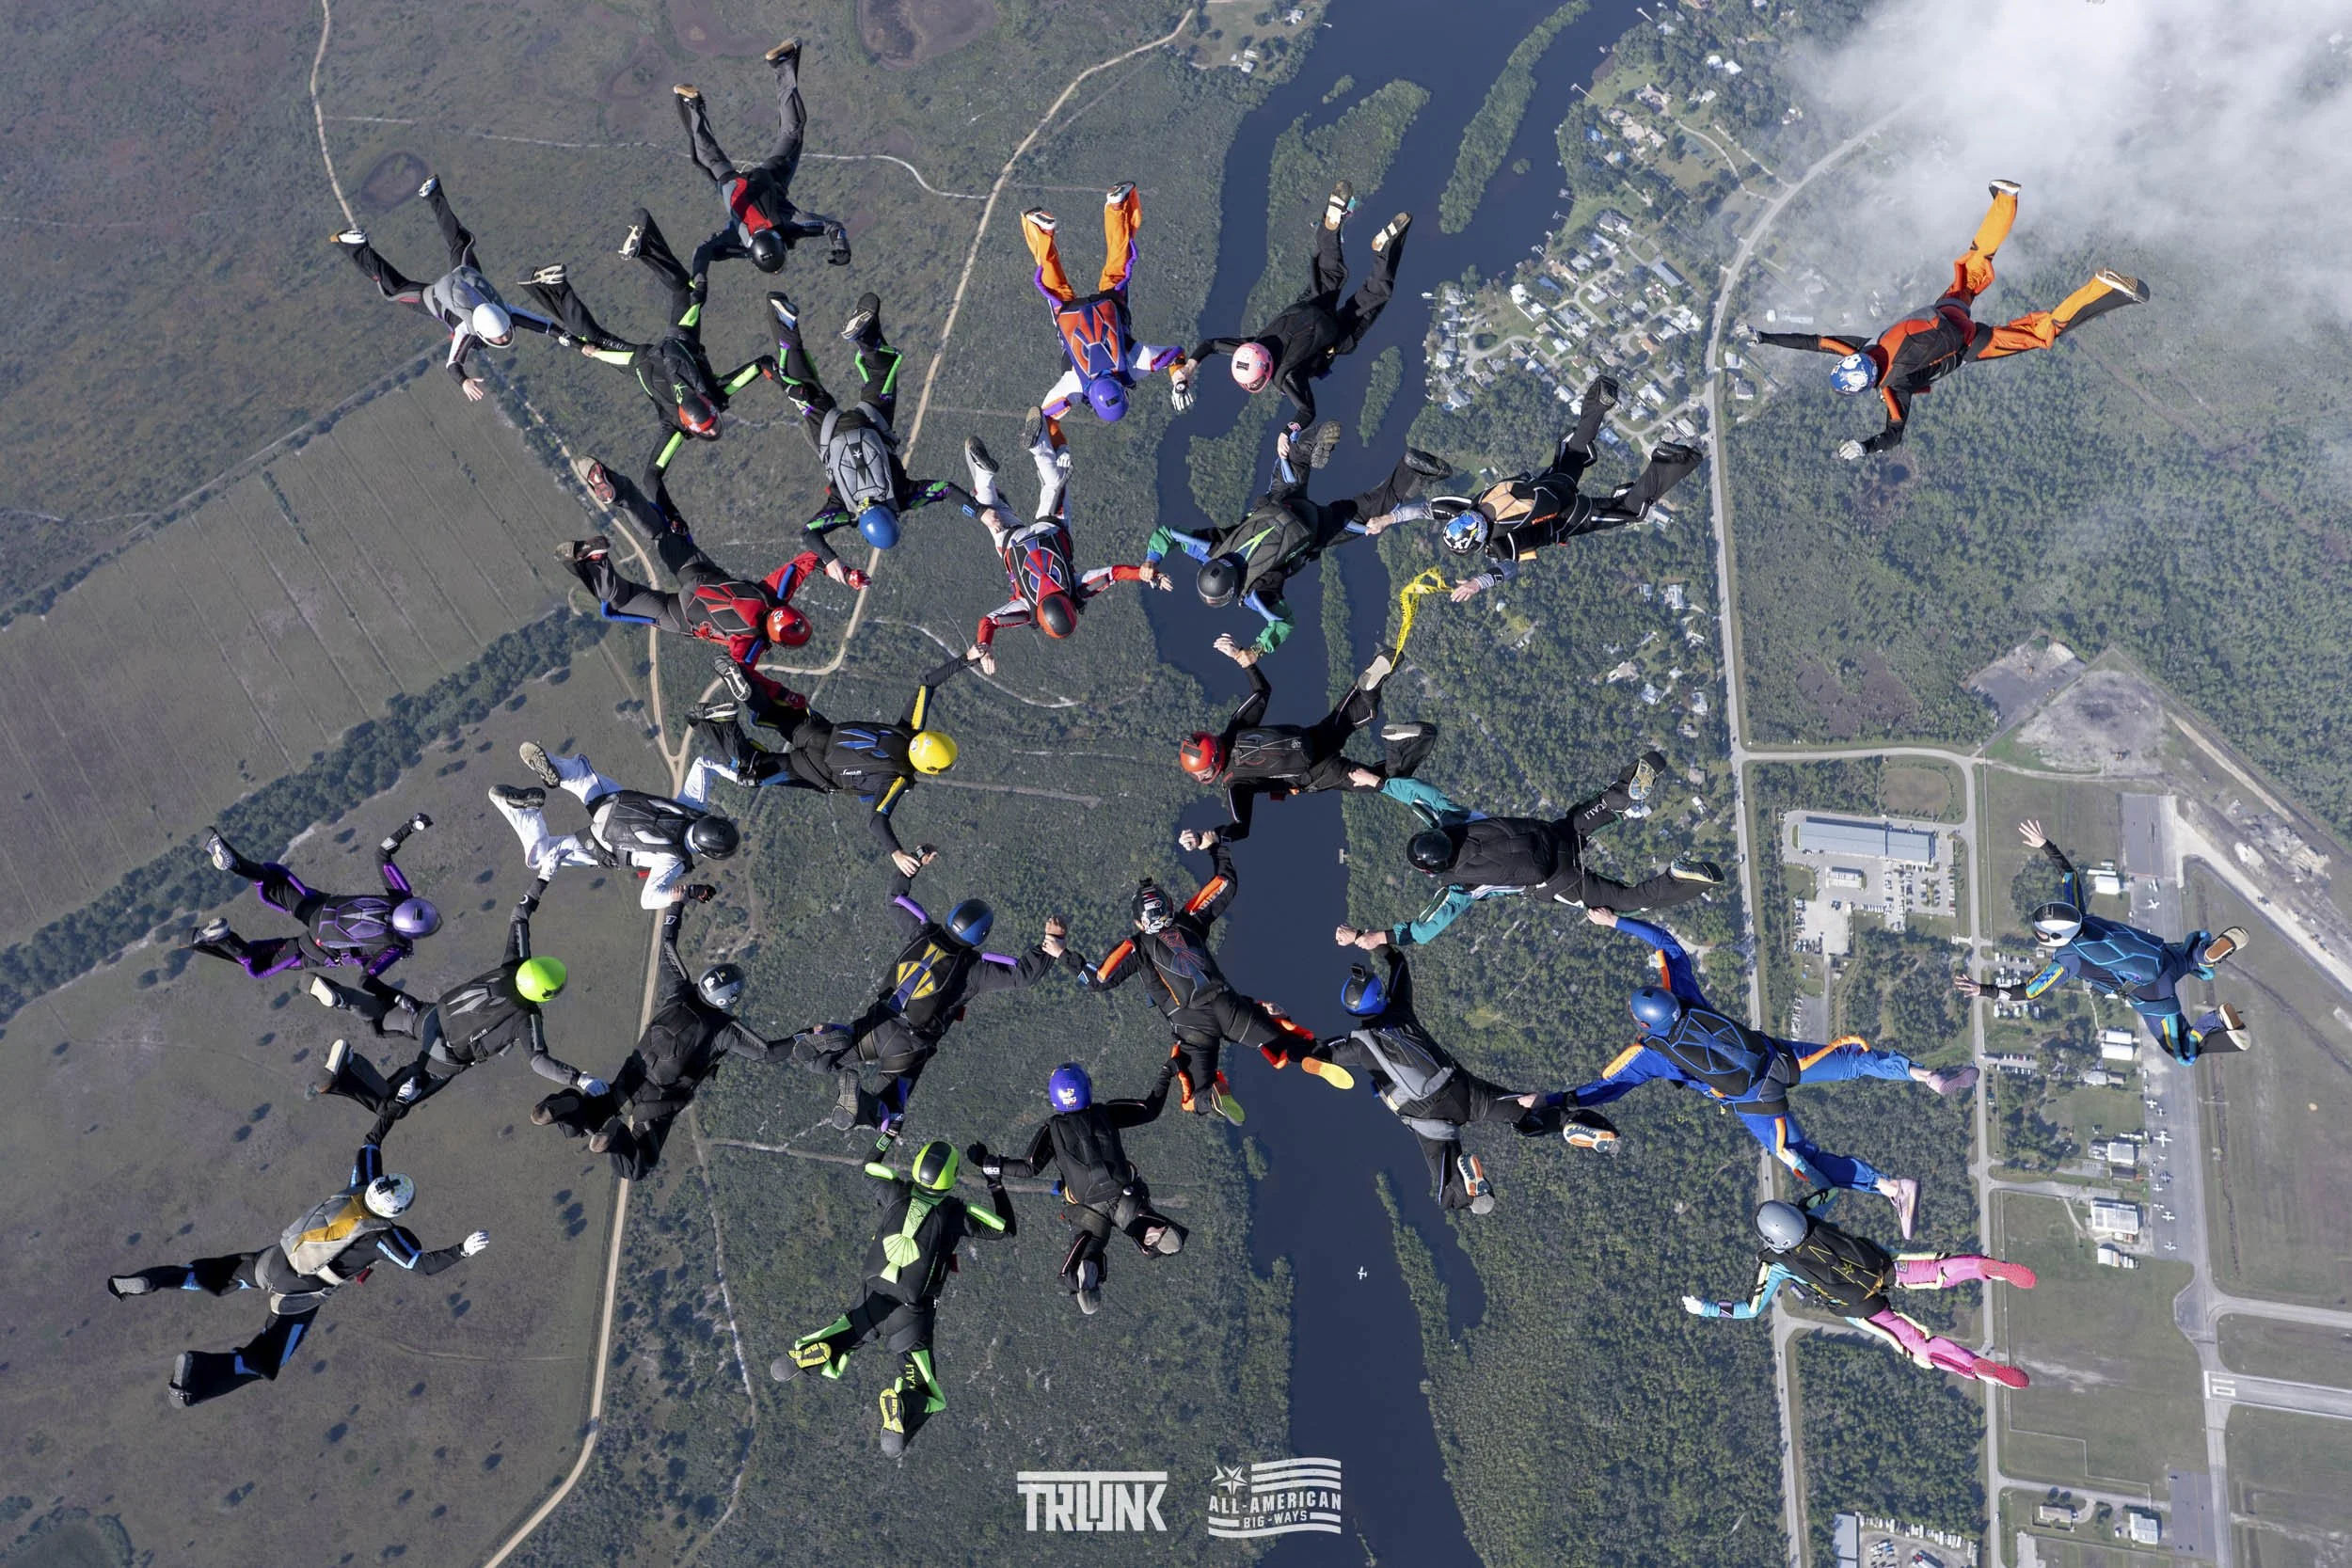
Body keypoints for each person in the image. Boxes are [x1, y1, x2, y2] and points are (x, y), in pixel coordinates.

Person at [1544, 908, 1980, 1237]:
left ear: (1644, 1024)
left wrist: (1556, 1102)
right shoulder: (1685, 996)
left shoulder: (1649, 1054)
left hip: (1754, 1102)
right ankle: (1927, 1076)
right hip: (1779, 1059)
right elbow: (1666, 941)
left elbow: (1608, 1087)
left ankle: (1889, 1187)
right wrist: (1614, 920)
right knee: (1854, 1062)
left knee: (1802, 1157)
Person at [1754, 181, 2148, 459]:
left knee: (2041, 333)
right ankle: (2005, 201)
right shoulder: (1857, 347)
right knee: (1975, 263)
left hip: (1970, 343)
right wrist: (1764, 337)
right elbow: (1812, 341)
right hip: (1945, 310)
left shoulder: (1894, 389)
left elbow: (1894, 436)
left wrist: (1864, 447)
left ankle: (2104, 289)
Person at [107, 1140, 489, 1406]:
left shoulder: (357, 1188)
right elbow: (422, 1265)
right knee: (268, 1359)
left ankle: (146, 1282)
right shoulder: (384, 1237)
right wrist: (463, 1250)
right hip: (301, 1291)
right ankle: (190, 1387)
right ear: (397, 1212)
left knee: (207, 1273)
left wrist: (397, 1102)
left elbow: (370, 1144)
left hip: (275, 1259)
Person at [1303, 937, 1616, 1212]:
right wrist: (1370, 941)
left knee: (1446, 1195)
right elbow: (1398, 961)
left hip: (1428, 1118)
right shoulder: (1400, 1011)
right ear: (1382, 995)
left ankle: (1468, 1186)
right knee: (1525, 1112)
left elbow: (1313, 1052)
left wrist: (1276, 1026)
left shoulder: (1356, 1046)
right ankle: (1575, 1124)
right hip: (1461, 1090)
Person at [787, 849, 1064, 1148]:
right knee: (889, 1111)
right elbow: (1023, 975)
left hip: (875, 1024)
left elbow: (894, 899)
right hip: (908, 1046)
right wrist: (1053, 941)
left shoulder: (922, 930)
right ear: (981, 936)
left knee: (828, 1060)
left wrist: (912, 864)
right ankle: (865, 1106)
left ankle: (832, 1042)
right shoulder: (974, 970)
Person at [306, 877, 602, 1142]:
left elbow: (519, 916)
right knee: (392, 1105)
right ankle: (344, 1072)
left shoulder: (515, 965)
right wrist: (579, 1079)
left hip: (433, 1016)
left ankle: (344, 999)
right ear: (545, 993)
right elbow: (538, 1061)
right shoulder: (526, 1017)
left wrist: (543, 877)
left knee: (384, 1019)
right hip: (442, 1059)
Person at [771, 1139, 1015, 1454]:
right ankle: (902, 1405)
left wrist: (888, 1134)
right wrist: (994, 1181)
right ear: (951, 1177)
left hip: (871, 1297)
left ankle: (814, 1351)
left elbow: (869, 1169)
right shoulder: (954, 1213)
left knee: (846, 1333)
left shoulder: (895, 1193)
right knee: (925, 1390)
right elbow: (1003, 1228)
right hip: (910, 1314)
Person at [1074, 827, 1325, 1121]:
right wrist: (1215, 848)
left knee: (1195, 1097)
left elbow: (1099, 980)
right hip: (1228, 1006)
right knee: (1282, 1043)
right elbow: (1225, 885)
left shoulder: (1136, 946)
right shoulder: (1189, 920)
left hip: (1192, 1027)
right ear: (1167, 906)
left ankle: (1213, 1097)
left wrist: (1063, 955)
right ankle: (1311, 1053)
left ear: (1139, 922)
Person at [1954, 819, 2249, 1061]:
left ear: (2058, 937)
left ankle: (2214, 1022)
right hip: (2161, 955)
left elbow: (2028, 992)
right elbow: (2069, 874)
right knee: (2187, 957)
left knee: (2182, 1051)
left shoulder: (2066, 960)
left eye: (2042, 934)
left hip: (2152, 992)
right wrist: (2046, 845)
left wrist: (1985, 990)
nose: (2040, 937)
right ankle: (2206, 954)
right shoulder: (2081, 916)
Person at [533, 899, 787, 1179]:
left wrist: (678, 903)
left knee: (583, 1122)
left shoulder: (681, 993)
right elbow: (769, 1053)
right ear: (728, 1000)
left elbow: (666, 947)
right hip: (656, 1103)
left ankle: (560, 1109)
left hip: (627, 1080)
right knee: (639, 1166)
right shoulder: (724, 1029)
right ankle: (614, 1140)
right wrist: (812, 1036)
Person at [1358, 752, 1723, 947]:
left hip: (1556, 881)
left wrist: (1378, 937)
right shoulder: (1454, 821)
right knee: (1596, 810)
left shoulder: (1460, 887)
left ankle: (1678, 878)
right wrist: (1378, 783)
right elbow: (1422, 797)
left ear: (1432, 870)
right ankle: (1626, 791)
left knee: (1627, 901)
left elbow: (1425, 928)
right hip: (1555, 834)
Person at [1148, 421, 1446, 655]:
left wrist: (1255, 651)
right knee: (1291, 465)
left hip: (1313, 530)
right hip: (1281, 502)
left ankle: (1412, 470)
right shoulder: (1210, 550)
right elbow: (1167, 535)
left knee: (1369, 512)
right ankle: (1306, 445)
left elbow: (1283, 623)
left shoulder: (1255, 594)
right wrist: (1151, 561)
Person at [517, 209, 771, 476]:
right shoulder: (693, 414)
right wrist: (785, 378)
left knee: (602, 336)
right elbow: (761, 366)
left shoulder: (698, 410)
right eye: (713, 424)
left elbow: (653, 474)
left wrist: (667, 511)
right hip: (657, 353)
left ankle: (568, 280)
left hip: (654, 354)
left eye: (708, 427)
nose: (711, 426)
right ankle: (556, 284)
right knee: (599, 338)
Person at [1682, 1198, 2033, 1389]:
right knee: (1938, 1268)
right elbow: (1831, 1186)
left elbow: (1749, 1308)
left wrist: (1707, 1308)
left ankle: (1975, 1367)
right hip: (1881, 1265)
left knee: (1916, 1344)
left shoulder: (1775, 1264)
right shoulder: (1808, 1213)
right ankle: (1987, 1267)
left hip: (1861, 1306)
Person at [557, 455, 854, 670]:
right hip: (683, 616)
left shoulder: (773, 596)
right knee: (621, 602)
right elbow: (740, 670)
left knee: (660, 531)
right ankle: (594, 560)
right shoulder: (749, 644)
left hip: (699, 573)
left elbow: (805, 561)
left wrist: (842, 569)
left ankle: (617, 489)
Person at [683, 653, 968, 872]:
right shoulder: (897, 779)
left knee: (769, 712)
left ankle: (743, 690)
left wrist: (968, 658)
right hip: (813, 770)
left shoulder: (911, 729)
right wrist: (896, 852)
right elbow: (876, 819)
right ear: (928, 767)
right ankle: (723, 724)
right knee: (749, 771)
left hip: (820, 731)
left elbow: (928, 683)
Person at [1436, 376, 1703, 601]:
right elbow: (1432, 509)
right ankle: (1599, 401)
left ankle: (1670, 461)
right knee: (1574, 452)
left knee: (1631, 510)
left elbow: (1509, 567)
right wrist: (1392, 517)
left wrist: (1478, 583)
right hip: (1551, 486)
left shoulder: (1501, 542)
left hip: (1571, 517)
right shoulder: (1473, 505)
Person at [1188, 181, 1410, 427]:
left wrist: (1289, 431)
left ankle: (1385, 248)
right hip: (1310, 304)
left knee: (1375, 293)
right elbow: (1210, 345)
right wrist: (1188, 369)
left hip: (1334, 336)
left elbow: (1307, 411)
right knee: (1329, 269)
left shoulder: (1286, 377)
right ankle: (1331, 225)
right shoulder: (1252, 345)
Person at [766, 290, 970, 557]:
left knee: (882, 373)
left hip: (871, 422)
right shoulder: (843, 510)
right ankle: (785, 321)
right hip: (829, 431)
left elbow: (944, 490)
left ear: (894, 518)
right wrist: (832, 562)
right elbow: (809, 532)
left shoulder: (903, 496)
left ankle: (866, 338)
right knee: (803, 385)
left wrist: (979, 511)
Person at [959, 416, 1172, 670]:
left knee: (1055, 481)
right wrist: (985, 647)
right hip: (1011, 541)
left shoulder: (1076, 589)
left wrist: (1149, 575)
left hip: (1050, 527)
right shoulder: (1027, 609)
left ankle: (1038, 446)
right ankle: (983, 477)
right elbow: (988, 622)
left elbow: (1114, 574)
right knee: (990, 509)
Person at [331, 175, 565, 403]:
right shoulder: (475, 328)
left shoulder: (507, 315)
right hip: (438, 295)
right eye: (505, 335)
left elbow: (546, 327)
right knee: (396, 289)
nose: (504, 337)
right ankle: (357, 246)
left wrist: (575, 342)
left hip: (459, 281)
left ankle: (431, 195)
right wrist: (463, 381)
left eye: (501, 337)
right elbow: (453, 366)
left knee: (459, 245)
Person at [976, 1061, 1184, 1313]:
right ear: (1088, 1088)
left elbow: (1028, 1167)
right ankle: (1150, 1231)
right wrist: (1167, 1072)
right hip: (1124, 1196)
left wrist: (988, 1163)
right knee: (1137, 1218)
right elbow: (1149, 1110)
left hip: (1087, 1208)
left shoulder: (1052, 1129)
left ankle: (1087, 1266)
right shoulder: (1106, 1112)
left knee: (1091, 1244)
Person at [1177, 640, 1435, 840]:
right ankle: (1366, 694)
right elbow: (1262, 691)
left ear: (1213, 766)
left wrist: (1208, 838)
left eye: (1202, 773)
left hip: (1316, 773)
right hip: (1310, 737)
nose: (1201, 778)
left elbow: (1241, 829)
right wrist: (1241, 657)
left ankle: (1403, 744)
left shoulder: (1235, 784)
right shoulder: (1235, 730)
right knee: (1342, 719)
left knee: (1384, 782)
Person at [189, 814, 439, 1004]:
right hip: (317, 948)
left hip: (318, 908)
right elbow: (367, 979)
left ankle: (232, 862)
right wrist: (400, 1000)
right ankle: (222, 937)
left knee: (270, 880)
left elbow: (382, 854)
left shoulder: (401, 896)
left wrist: (410, 826)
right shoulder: (395, 946)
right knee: (260, 963)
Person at [673, 40, 851, 278]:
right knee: (707, 156)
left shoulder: (791, 223)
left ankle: (783, 63)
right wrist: (700, 281)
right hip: (732, 184)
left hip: (769, 179)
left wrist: (842, 247)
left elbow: (832, 227)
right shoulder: (735, 240)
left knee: (792, 130)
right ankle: (691, 104)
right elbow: (702, 253)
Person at [488, 740, 739, 910]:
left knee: (581, 774)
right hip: (603, 844)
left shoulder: (694, 809)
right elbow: (648, 900)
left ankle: (562, 770)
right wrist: (690, 891)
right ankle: (527, 812)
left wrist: (740, 777)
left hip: (614, 803)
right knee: (539, 857)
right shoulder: (672, 861)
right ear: (709, 853)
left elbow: (702, 763)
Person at [1019, 182, 1194, 425]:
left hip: (1108, 304)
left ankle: (1118, 206)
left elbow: (1175, 355)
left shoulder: (1133, 367)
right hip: (1070, 313)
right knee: (1056, 287)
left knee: (1116, 269)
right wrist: (1058, 449)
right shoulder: (1074, 387)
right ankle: (1039, 229)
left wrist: (1179, 382)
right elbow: (1044, 416)